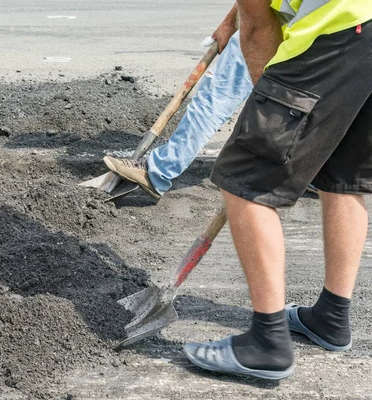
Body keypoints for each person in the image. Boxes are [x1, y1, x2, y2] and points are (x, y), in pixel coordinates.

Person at [183, 0, 372, 380]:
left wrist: (271, 110)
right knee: (342, 175)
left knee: (245, 176)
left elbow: (257, 25)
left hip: (334, 32)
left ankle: (267, 342)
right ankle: (330, 318)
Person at [103, 5, 253, 199]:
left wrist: (232, 21)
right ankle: (303, 174)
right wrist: (230, 22)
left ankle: (157, 172)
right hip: (299, 34)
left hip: (268, 27)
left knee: (214, 97)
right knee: (292, 107)